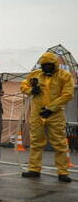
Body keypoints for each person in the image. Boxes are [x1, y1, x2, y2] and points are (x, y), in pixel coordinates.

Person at [20, 52, 74, 183]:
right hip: (37, 113)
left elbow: (68, 94)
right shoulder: (36, 74)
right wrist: (31, 90)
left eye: (49, 65)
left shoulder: (64, 76)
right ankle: (34, 169)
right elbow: (23, 85)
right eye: (44, 66)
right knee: (36, 142)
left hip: (55, 114)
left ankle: (62, 172)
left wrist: (51, 108)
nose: (46, 68)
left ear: (54, 65)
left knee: (60, 143)